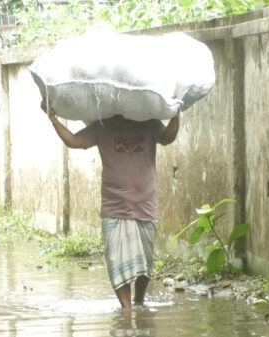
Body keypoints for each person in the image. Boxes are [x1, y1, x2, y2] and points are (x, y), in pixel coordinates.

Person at [41, 100, 180, 311]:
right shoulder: (102, 126)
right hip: (114, 206)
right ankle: (126, 311)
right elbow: (74, 141)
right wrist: (53, 119)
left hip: (144, 204)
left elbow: (167, 137)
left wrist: (177, 113)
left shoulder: (149, 122)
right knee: (116, 260)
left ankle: (139, 301)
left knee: (146, 261)